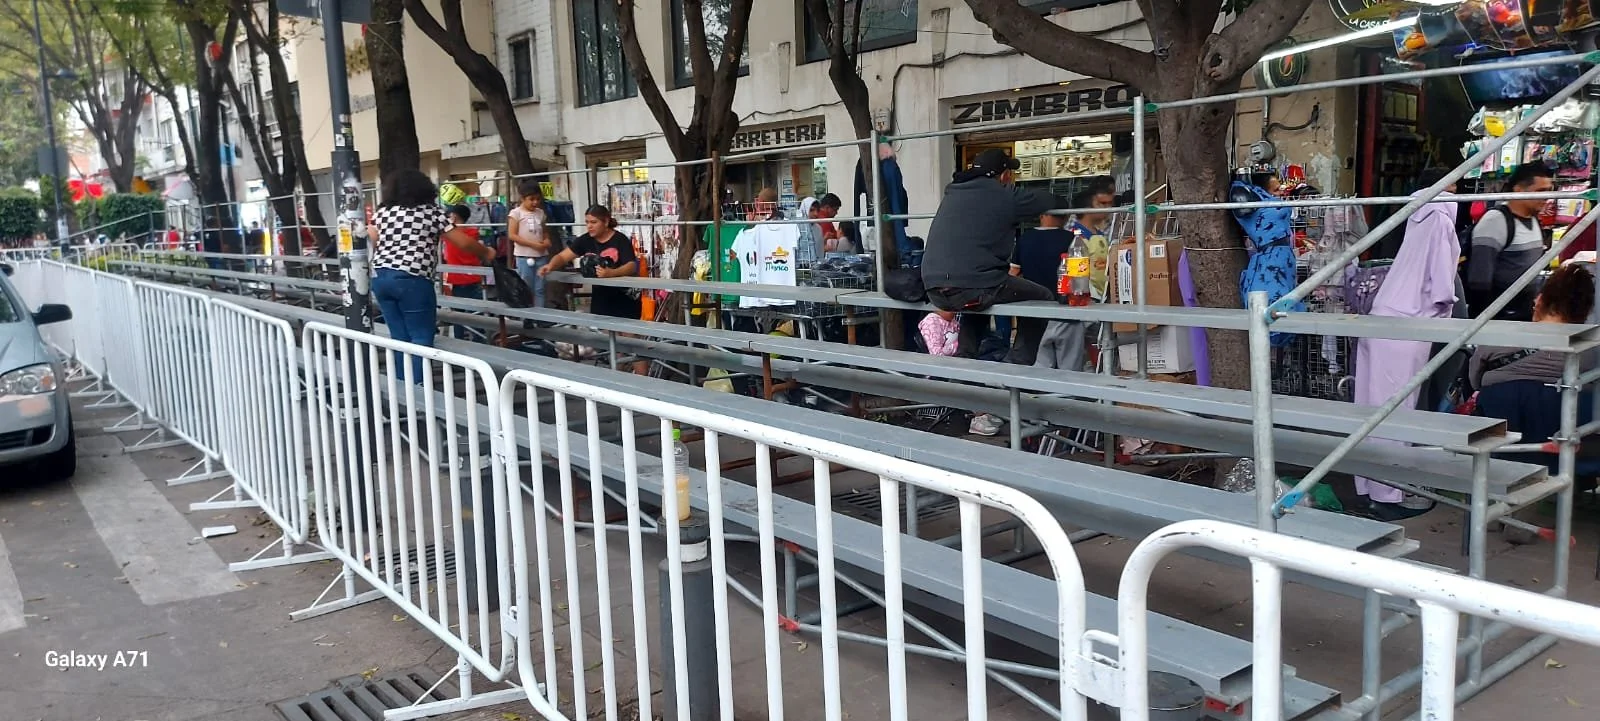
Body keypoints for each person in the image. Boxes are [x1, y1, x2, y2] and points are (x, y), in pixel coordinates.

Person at [1352, 169, 1463, 519]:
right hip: (1409, 322)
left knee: (1371, 412)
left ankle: (1369, 489)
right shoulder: (1442, 219)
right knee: (1397, 415)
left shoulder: (1416, 215)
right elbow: (1443, 286)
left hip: (1383, 315)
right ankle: (1387, 497)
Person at [920, 148, 1055, 363]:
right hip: (973, 286)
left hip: (933, 287)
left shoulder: (953, 193)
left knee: (976, 299)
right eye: (1009, 173)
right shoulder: (1003, 195)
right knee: (1043, 298)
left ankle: (963, 363)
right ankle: (1018, 366)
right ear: (1003, 175)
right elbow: (1048, 200)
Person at [370, 169, 496, 382]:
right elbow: (462, 241)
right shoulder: (431, 212)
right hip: (413, 278)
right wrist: (486, 252)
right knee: (420, 335)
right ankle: (419, 389)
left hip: (381, 276)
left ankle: (403, 384)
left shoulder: (383, 212)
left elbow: (372, 238)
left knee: (399, 336)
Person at [539, 205, 647, 374]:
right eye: (587, 222)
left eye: (594, 222)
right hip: (602, 298)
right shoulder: (585, 240)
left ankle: (644, 381)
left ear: (605, 222)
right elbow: (563, 256)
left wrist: (612, 273)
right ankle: (618, 378)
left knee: (631, 341)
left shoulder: (620, 240)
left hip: (625, 298)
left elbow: (631, 265)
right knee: (613, 342)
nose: (589, 226)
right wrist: (550, 265)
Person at [1466, 163, 1553, 321]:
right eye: (1540, 191)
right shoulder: (1496, 221)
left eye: (1549, 191)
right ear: (1519, 189)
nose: (1546, 197)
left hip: (1525, 314)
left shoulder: (1533, 220)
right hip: (1499, 319)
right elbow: (1479, 281)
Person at [508, 180, 552, 307]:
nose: (535, 202)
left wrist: (547, 240)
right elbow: (512, 235)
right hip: (524, 256)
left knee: (540, 288)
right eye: (531, 199)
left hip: (541, 256)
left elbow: (544, 232)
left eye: (538, 199)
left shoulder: (540, 213)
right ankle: (527, 316)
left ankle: (540, 316)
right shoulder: (516, 213)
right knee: (527, 287)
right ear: (522, 198)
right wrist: (533, 245)